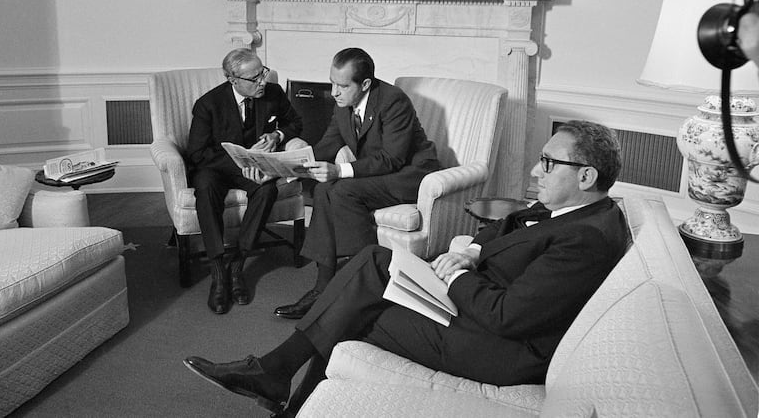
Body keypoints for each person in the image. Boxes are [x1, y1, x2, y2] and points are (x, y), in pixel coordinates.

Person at [183, 120, 630, 415]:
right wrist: (472, 249)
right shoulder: (567, 208)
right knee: (375, 260)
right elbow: (510, 225)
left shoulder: (586, 238)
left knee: (353, 312)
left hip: (500, 347)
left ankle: (278, 380)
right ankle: (278, 380)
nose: (537, 168)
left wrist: (456, 275)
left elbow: (509, 317)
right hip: (473, 309)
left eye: (549, 163)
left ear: (586, 176)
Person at [273, 47, 441, 320]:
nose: (334, 92)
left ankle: (362, 283)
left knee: (341, 189)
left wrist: (339, 170)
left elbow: (392, 159)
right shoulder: (343, 104)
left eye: (342, 85)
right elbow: (329, 143)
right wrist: (283, 167)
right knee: (324, 188)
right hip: (380, 174)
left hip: (409, 175)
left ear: (364, 84)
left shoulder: (393, 101)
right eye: (332, 83)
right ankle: (325, 287)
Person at [187, 48, 302, 314]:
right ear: (233, 80)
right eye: (255, 78)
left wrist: (278, 136)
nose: (263, 80)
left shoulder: (273, 93)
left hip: (254, 167)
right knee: (204, 188)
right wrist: (241, 165)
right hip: (215, 166)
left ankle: (237, 265)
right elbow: (197, 153)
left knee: (267, 190)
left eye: (263, 72)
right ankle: (218, 272)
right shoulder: (208, 104)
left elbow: (296, 122)